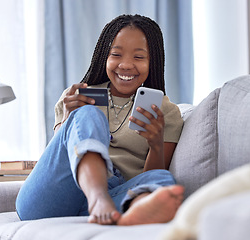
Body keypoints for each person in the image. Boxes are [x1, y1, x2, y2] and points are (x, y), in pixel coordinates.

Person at [16, 14, 184, 225]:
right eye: (116, 55)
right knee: (88, 114)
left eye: (139, 57)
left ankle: (131, 209)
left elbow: (147, 177)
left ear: (153, 61)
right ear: (105, 56)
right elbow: (57, 162)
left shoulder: (166, 112)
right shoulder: (77, 97)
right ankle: (97, 199)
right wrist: (68, 121)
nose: (125, 65)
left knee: (163, 181)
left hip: (117, 192)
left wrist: (156, 145)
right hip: (54, 199)